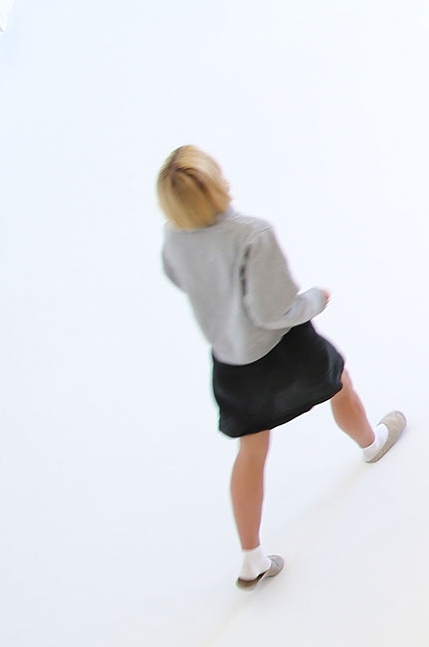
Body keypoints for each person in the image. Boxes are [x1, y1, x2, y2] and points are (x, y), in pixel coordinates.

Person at [156, 145, 405, 590]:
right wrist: (316, 298)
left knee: (251, 452)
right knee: (339, 384)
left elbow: (177, 278)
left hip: (232, 364)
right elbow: (276, 310)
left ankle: (251, 559)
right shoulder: (251, 233)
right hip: (284, 350)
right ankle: (371, 443)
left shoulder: (173, 238)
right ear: (217, 185)